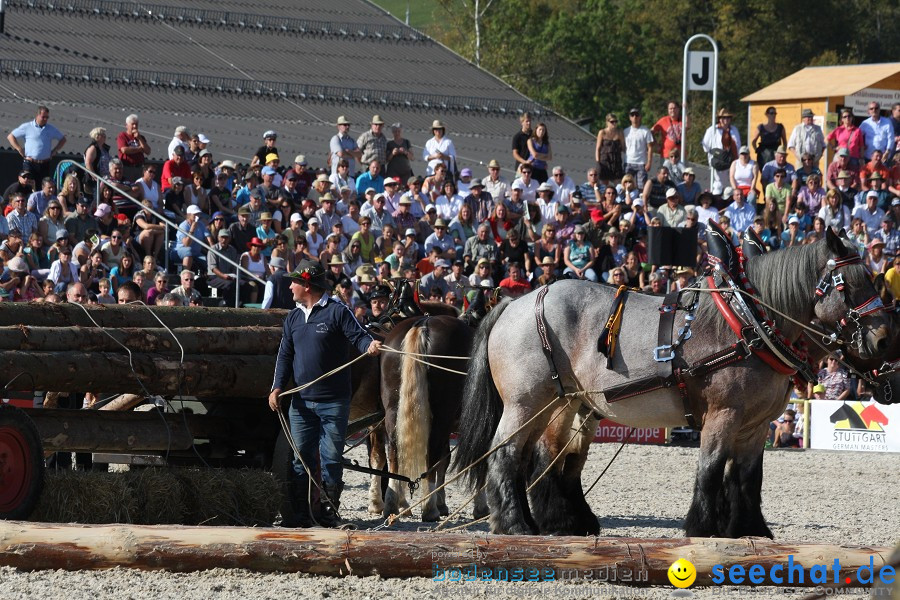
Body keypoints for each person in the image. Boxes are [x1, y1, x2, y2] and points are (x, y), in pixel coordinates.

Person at [268, 260, 380, 527]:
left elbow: (358, 335)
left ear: (307, 285)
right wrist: (277, 387)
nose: (290, 286)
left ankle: (329, 514)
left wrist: (369, 345)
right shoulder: (293, 317)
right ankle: (300, 515)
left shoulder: (337, 312)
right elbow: (285, 355)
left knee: (330, 459)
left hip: (333, 400)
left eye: (294, 282)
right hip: (301, 402)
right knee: (300, 459)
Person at [6, 105, 66, 181]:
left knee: (43, 187)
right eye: (43, 117)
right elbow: (11, 137)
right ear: (37, 115)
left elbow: (63, 139)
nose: (45, 119)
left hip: (45, 163)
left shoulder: (50, 129)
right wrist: (19, 149)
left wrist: (55, 151)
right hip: (30, 163)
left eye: (47, 117)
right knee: (28, 184)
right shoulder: (27, 127)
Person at [702, 108, 741, 194]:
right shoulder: (712, 130)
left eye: (728, 118)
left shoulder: (734, 130)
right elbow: (705, 147)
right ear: (719, 119)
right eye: (723, 118)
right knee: (718, 185)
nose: (725, 120)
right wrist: (717, 152)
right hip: (718, 161)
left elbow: (738, 146)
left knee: (730, 186)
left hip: (731, 160)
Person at [622, 108, 654, 188]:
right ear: (630, 117)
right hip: (628, 162)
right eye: (632, 115)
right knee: (627, 187)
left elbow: (650, 147)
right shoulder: (625, 131)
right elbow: (622, 146)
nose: (635, 117)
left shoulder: (646, 131)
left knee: (641, 187)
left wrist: (649, 162)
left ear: (640, 117)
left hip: (641, 163)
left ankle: (640, 201)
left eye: (637, 115)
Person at [116, 114, 150, 182]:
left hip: (139, 167)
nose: (135, 126)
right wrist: (140, 149)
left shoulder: (141, 138)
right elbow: (124, 150)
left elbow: (148, 151)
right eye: (132, 124)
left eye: (136, 124)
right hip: (127, 167)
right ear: (126, 125)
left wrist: (139, 138)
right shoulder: (122, 136)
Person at [595, 113, 625, 183]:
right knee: (604, 184)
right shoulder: (602, 132)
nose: (614, 123)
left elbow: (623, 147)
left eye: (616, 121)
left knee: (618, 184)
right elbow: (598, 149)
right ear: (607, 122)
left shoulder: (619, 132)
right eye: (612, 122)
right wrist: (598, 162)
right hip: (605, 161)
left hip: (616, 161)